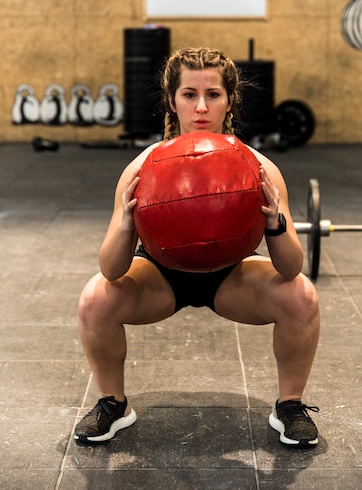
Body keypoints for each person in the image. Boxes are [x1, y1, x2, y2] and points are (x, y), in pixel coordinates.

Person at [75, 47, 320, 448]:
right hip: (161, 274)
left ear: (230, 99)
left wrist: (275, 222)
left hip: (232, 274)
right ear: (172, 101)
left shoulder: (260, 169)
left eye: (213, 94)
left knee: (302, 297)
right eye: (189, 95)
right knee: (94, 299)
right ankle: (112, 404)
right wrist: (124, 222)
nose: (201, 107)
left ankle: (290, 406)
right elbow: (111, 269)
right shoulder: (142, 169)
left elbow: (291, 267)